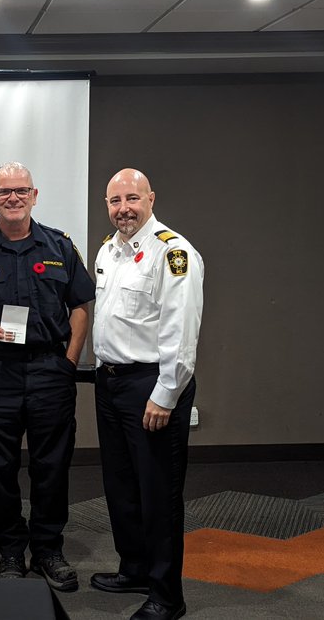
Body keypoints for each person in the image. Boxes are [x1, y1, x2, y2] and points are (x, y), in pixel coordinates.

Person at [0, 162, 94, 590]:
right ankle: (10, 551)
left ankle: (48, 549)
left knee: (52, 465)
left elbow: (81, 305)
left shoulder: (60, 246)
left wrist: (69, 361)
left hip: (51, 370)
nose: (13, 197)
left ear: (34, 195)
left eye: (21, 190)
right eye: (4, 192)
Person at [90, 168, 204, 620]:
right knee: (121, 486)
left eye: (132, 199)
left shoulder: (174, 254)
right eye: (115, 201)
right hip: (111, 381)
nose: (123, 209)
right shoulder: (108, 250)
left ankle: (166, 595)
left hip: (150, 385)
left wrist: (166, 393)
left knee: (158, 493)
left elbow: (181, 332)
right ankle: (134, 568)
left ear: (151, 198)